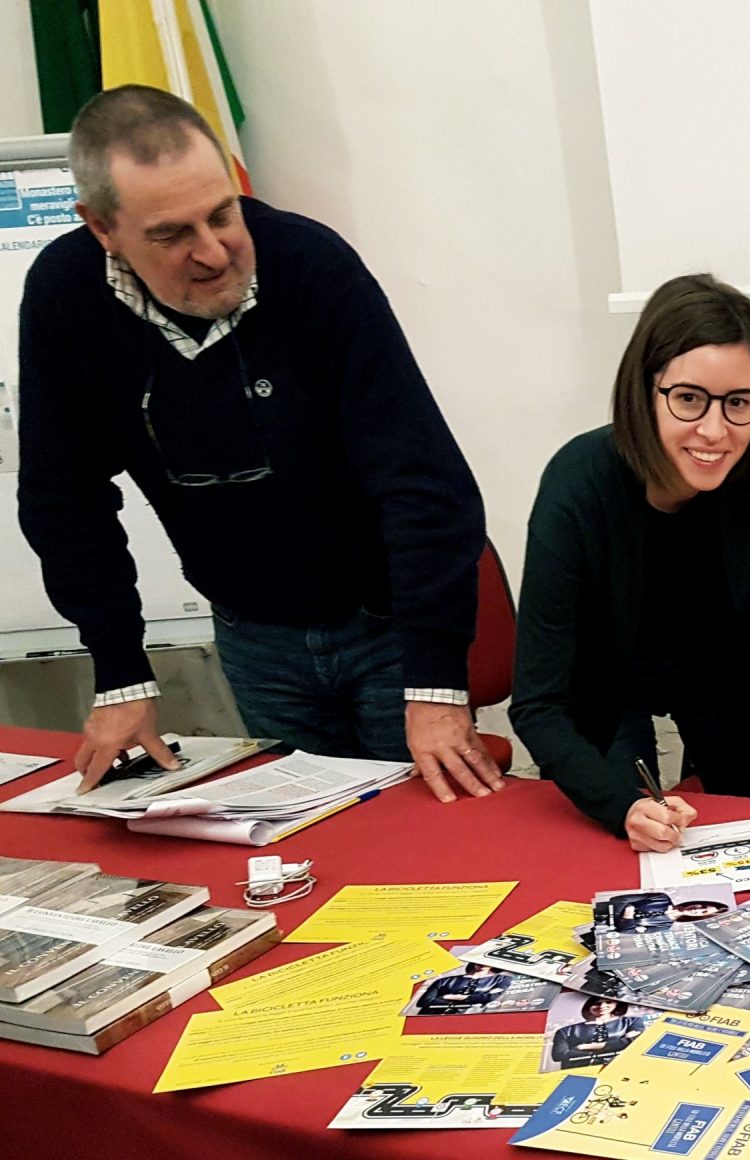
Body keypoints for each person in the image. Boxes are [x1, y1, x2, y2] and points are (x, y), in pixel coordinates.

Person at [18, 85, 503, 803]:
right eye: (171, 234)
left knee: (434, 840)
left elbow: (423, 483)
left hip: (383, 626)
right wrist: (121, 668)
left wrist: (433, 683)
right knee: (311, 854)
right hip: (253, 634)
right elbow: (64, 499)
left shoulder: (310, 267)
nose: (213, 252)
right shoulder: (65, 297)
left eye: (222, 213)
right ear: (101, 227)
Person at [509, 273, 750, 852]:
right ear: (645, 390)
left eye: (738, 403)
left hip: (718, 673)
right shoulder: (577, 484)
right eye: (689, 398)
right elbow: (537, 705)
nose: (714, 432)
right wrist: (621, 805)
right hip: (602, 688)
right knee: (621, 847)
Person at [550, 997, 646, 1069]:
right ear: (588, 1006)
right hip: (581, 1070)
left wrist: (585, 1047)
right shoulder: (565, 1031)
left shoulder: (632, 1021)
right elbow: (559, 1055)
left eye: (608, 1002)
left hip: (623, 1067)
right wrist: (618, 1045)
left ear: (617, 1003)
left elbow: (635, 1042)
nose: (602, 1006)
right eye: (597, 1003)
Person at [599, 892, 730, 934]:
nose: (697, 909)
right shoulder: (661, 898)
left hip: (600, 929)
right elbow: (619, 900)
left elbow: (627, 933)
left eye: (704, 912)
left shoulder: (664, 927)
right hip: (597, 911)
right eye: (702, 905)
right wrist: (624, 919)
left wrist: (628, 914)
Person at [412, 961, 511, 1013]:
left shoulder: (502, 979)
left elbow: (490, 998)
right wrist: (472, 1000)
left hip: (471, 1018)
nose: (483, 964)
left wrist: (451, 997)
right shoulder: (444, 980)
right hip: (434, 1017)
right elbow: (424, 1001)